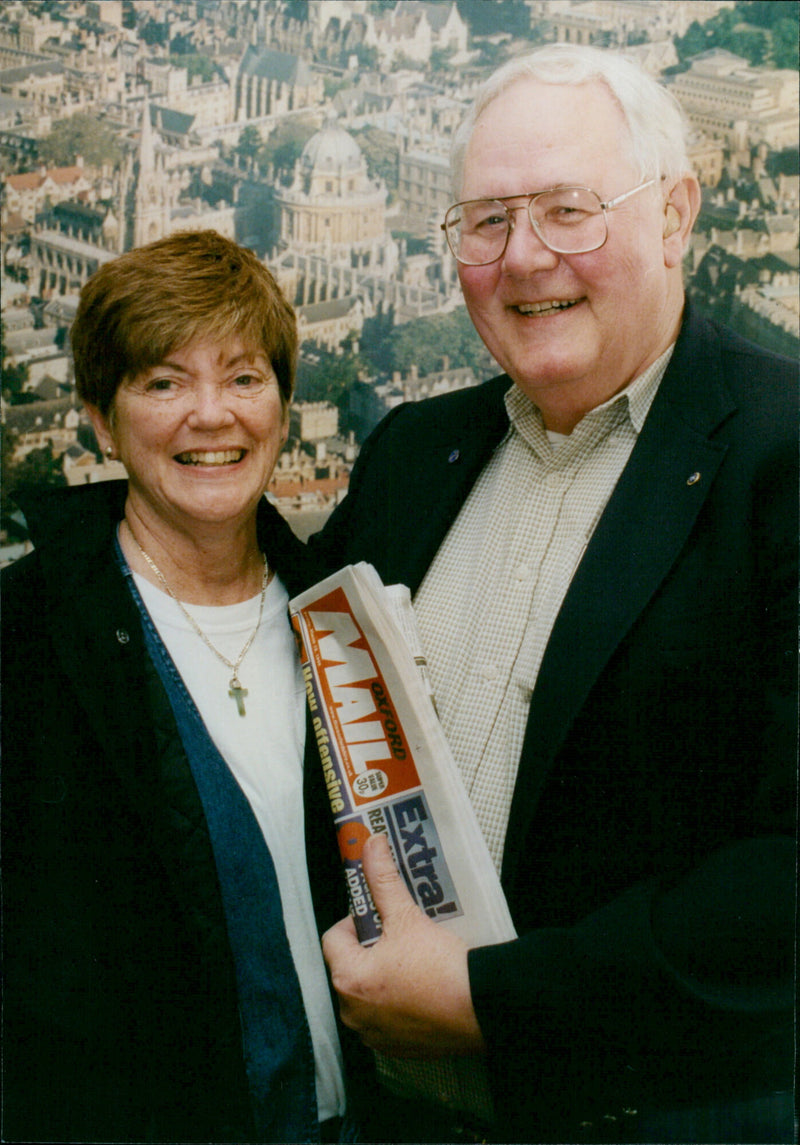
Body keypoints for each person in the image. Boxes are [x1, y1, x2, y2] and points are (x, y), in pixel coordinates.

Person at [312, 45, 797, 1145]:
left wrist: (488, 1001)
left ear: (673, 215)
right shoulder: (409, 456)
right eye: (483, 221)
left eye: (567, 210)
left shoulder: (781, 457)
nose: (522, 259)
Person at [1, 231, 359, 1144]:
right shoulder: (25, 638)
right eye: (163, 382)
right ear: (99, 417)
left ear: (283, 404)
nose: (212, 415)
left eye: (244, 377)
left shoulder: (345, 612)